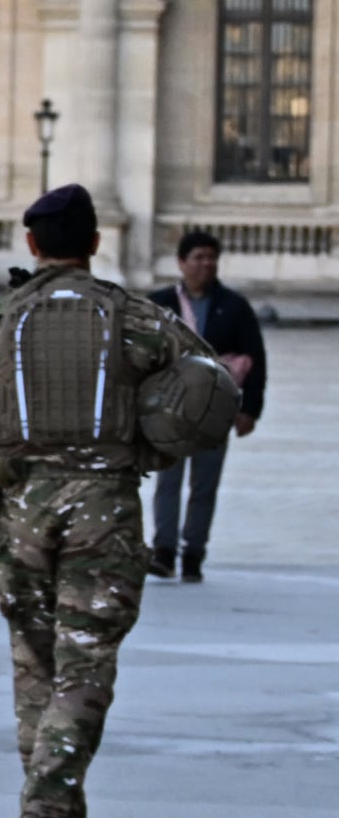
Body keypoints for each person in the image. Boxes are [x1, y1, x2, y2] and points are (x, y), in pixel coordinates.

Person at [0, 185, 204, 818]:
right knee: (85, 664)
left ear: (31, 245)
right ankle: (49, 811)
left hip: (21, 512)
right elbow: (205, 385)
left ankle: (57, 813)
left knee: (34, 664)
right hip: (105, 510)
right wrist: (153, 450)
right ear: (94, 245)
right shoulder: (133, 317)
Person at [149, 229, 268, 582]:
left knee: (205, 484)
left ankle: (194, 552)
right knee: (168, 481)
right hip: (168, 411)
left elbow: (255, 357)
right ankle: (164, 549)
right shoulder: (159, 303)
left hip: (214, 410)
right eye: (198, 257)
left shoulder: (234, 306)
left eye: (211, 257)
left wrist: (251, 410)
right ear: (181, 263)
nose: (206, 264)